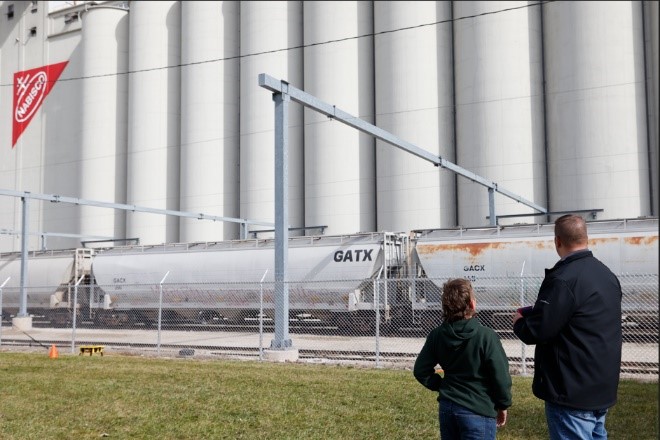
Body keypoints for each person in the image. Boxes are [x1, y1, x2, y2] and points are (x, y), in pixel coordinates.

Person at [513, 214, 622, 439]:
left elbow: (539, 330)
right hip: (600, 387)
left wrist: (520, 322)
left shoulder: (563, 279)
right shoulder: (607, 275)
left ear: (558, 241)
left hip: (571, 391)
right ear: (586, 238)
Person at [414, 278, 512, 439]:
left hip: (448, 408)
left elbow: (420, 371)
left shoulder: (437, 335)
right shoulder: (486, 337)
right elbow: (500, 376)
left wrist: (441, 385)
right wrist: (503, 404)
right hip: (478, 409)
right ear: (472, 304)